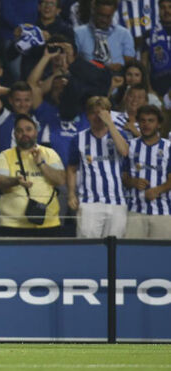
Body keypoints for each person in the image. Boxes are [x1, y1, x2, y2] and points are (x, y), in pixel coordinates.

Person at [0, 114, 66, 237]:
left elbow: (60, 180)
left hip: (48, 224)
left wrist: (41, 164)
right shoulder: (5, 155)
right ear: (15, 135)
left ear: (36, 132)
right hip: (13, 225)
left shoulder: (50, 154)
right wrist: (16, 181)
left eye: (28, 129)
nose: (24, 134)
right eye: (19, 131)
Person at [67, 96, 130, 238]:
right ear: (87, 115)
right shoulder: (79, 138)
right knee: (87, 249)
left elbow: (125, 151)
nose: (98, 116)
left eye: (102, 112)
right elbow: (71, 169)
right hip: (89, 202)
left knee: (115, 250)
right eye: (94, 112)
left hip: (117, 202)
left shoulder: (119, 135)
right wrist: (71, 193)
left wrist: (110, 124)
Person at [122, 104, 171, 238]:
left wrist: (157, 190)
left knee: (162, 255)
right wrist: (133, 182)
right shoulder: (130, 146)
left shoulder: (168, 147)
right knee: (133, 253)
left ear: (159, 124)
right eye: (143, 120)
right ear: (138, 122)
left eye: (151, 120)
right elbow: (123, 177)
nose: (146, 124)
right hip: (135, 211)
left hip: (163, 212)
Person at [74, 0, 135, 72]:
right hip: (87, 79)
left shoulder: (124, 34)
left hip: (117, 78)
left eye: (108, 16)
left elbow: (130, 66)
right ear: (93, 10)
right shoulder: (78, 33)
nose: (104, 20)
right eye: (101, 15)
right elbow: (74, 62)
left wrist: (120, 68)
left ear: (114, 13)